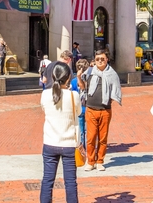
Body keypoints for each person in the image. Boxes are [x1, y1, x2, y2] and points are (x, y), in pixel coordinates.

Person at [39, 62, 80, 203]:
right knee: (70, 182)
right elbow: (79, 112)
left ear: (52, 76)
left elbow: (45, 109)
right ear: (69, 77)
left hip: (50, 142)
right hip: (69, 144)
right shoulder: (74, 95)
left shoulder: (45, 95)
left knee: (47, 181)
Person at [84, 49, 122, 171]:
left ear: (107, 60)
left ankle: (100, 161)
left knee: (102, 138)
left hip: (105, 110)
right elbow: (81, 86)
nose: (100, 61)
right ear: (94, 61)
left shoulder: (112, 74)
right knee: (90, 138)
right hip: (90, 109)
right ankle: (90, 161)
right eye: (97, 59)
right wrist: (79, 76)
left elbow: (116, 89)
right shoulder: (89, 72)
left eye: (102, 59)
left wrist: (110, 99)